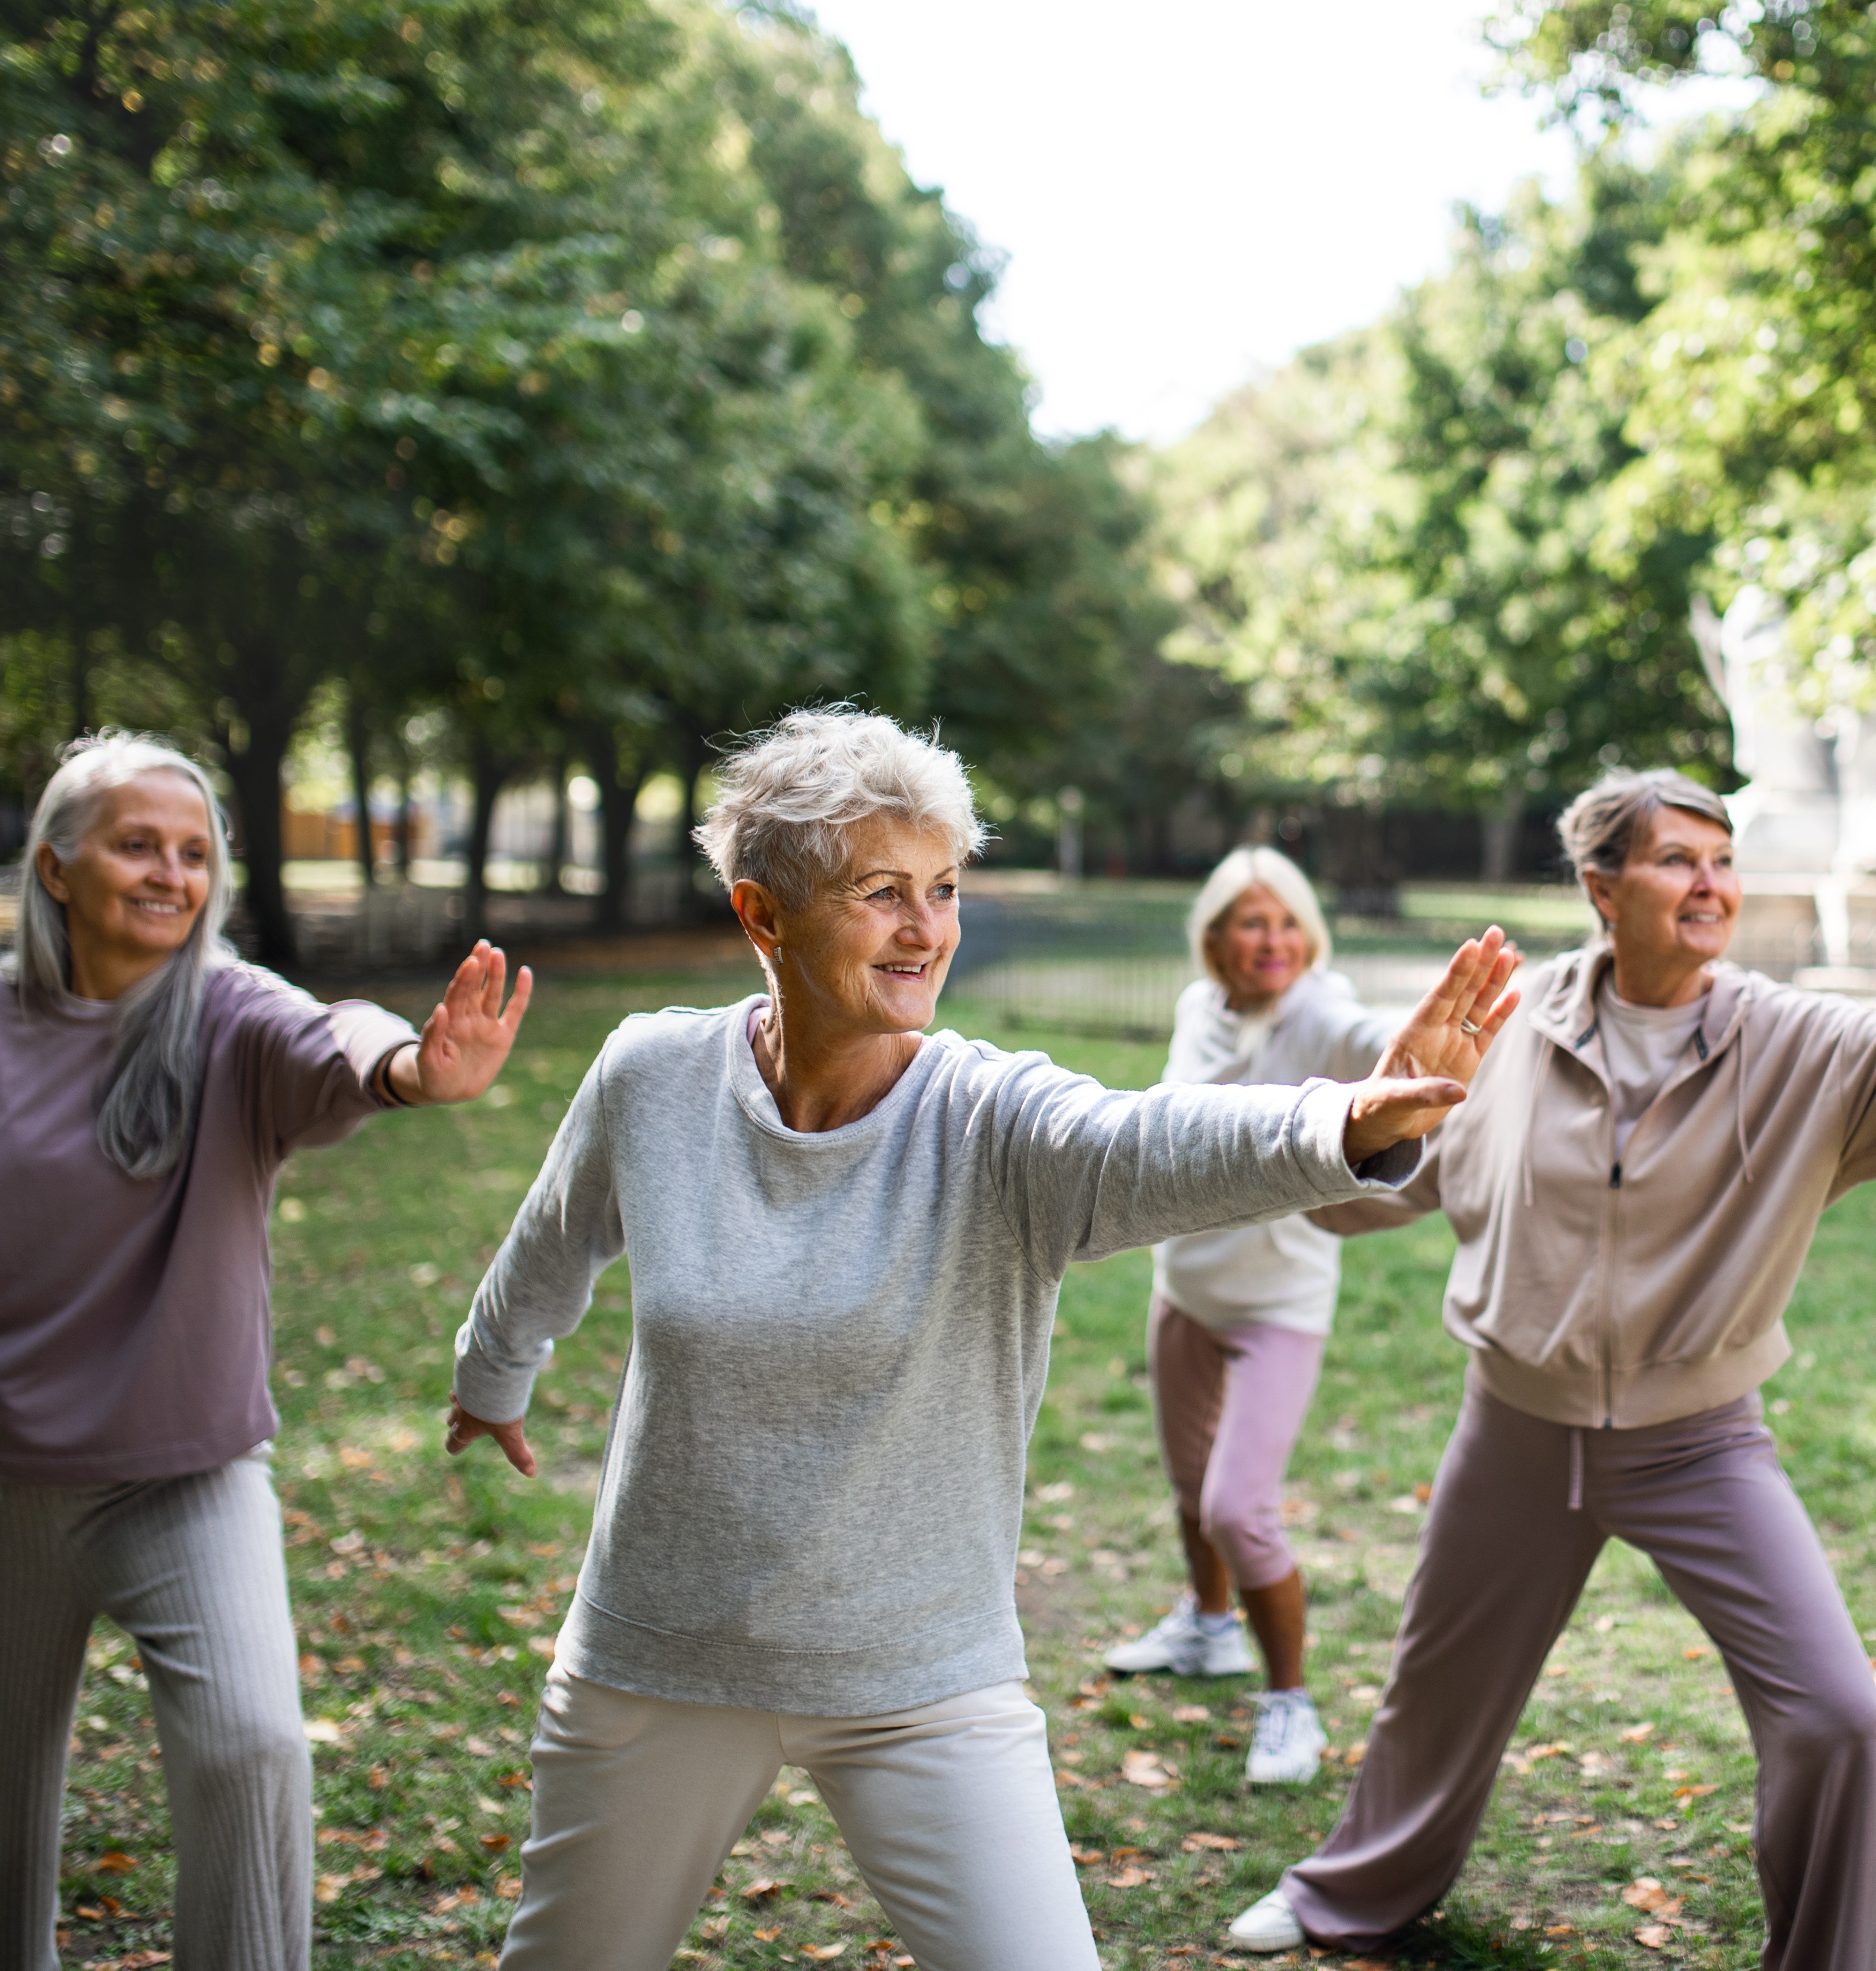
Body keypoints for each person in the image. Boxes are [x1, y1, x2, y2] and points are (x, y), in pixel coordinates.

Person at [440, 709, 1520, 1971]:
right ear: (764, 915)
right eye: (881, 891)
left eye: (944, 888)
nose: (926, 927)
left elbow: (1151, 1140)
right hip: (660, 1657)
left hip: (922, 1678)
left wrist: (1349, 1124)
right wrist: (492, 1371)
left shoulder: (992, 1115)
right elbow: (552, 1241)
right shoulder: (651, 1077)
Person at [1225, 769, 1876, 1969]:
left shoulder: (1790, 1035)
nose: (1711, 882)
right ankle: (1351, 1892)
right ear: (1603, 886)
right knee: (1435, 1692)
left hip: (1698, 1439)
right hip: (1515, 1422)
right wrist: (1369, 1132)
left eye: (1723, 858)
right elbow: (1376, 1185)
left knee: (1835, 1715)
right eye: (1677, 859)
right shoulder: (1511, 1020)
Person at [2, 730, 533, 1971]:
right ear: (57, 866)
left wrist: (410, 1066)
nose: (169, 875)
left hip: (181, 1475)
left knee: (254, 1745)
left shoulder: (230, 1016)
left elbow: (336, 1037)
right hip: (8, 1478)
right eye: (137, 844)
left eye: (194, 854)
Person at [1103, 849, 1400, 1785]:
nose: (1270, 942)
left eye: (1284, 923)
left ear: (1308, 932)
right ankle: (1208, 1629)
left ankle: (1291, 1702)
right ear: (1215, 937)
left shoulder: (1320, 1011)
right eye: (1249, 923)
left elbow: (1374, 1042)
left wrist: (1425, 1043)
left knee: (1239, 1508)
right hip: (1185, 1285)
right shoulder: (1201, 1009)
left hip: (1278, 1303)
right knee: (1192, 1492)